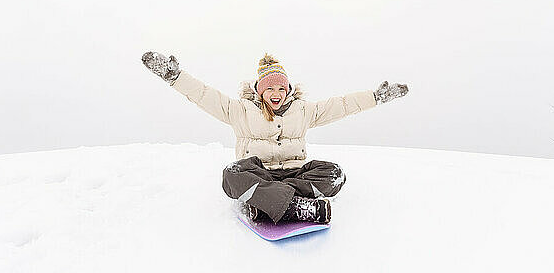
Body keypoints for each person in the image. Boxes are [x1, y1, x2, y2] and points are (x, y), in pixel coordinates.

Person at [142, 51, 408, 224]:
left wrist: (375, 97)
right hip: (261, 172)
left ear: (289, 90)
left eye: (281, 88)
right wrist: (174, 76)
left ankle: (267, 203)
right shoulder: (240, 110)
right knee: (232, 174)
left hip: (296, 173)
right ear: (260, 92)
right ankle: (297, 207)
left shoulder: (304, 111)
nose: (277, 93)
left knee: (334, 174)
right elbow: (203, 95)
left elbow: (342, 105)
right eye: (270, 88)